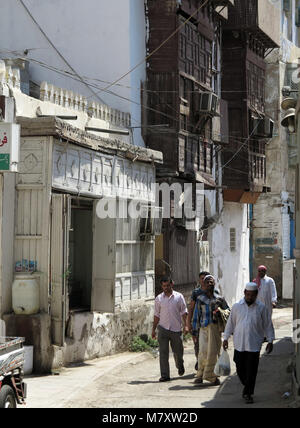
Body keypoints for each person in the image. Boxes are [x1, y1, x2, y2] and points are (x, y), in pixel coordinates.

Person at [223, 282, 275, 404]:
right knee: (239, 367)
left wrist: (271, 340)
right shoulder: (236, 306)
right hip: (239, 343)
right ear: (244, 293)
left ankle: (248, 393)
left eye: (252, 295)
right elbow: (230, 323)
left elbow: (268, 325)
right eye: (248, 295)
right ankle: (248, 385)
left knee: (252, 370)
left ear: (256, 295)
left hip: (254, 344)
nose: (250, 297)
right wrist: (225, 338)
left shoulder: (261, 307)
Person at [194, 275, 230, 386]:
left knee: (213, 352)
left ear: (214, 284)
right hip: (203, 329)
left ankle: (213, 377)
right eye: (207, 282)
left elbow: (228, 311)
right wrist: (194, 332)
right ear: (203, 284)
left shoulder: (219, 299)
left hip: (215, 329)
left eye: (212, 282)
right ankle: (200, 375)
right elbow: (196, 315)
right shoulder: (200, 299)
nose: (210, 284)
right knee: (202, 352)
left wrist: (220, 312)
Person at [152, 276, 188, 382]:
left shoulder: (179, 297)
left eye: (168, 285)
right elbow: (156, 315)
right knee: (163, 353)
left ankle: (180, 365)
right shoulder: (159, 298)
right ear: (162, 286)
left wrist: (186, 325)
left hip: (176, 330)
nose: (166, 288)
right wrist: (153, 329)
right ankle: (165, 375)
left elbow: (184, 312)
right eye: (164, 286)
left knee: (178, 352)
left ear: (172, 284)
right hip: (163, 329)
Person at [186, 271, 210, 370]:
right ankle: (199, 362)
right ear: (199, 280)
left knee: (209, 347)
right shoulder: (196, 293)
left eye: (205, 278)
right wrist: (188, 324)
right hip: (198, 324)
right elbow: (191, 308)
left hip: (210, 324)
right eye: (201, 278)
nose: (203, 280)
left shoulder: (213, 292)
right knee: (197, 345)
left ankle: (207, 366)